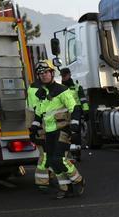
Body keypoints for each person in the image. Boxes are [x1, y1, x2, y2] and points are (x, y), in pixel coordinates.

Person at [26, 61, 85, 198]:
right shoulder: (41, 93)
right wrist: (34, 128)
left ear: (52, 73)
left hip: (63, 129)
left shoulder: (62, 90)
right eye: (41, 73)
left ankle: (78, 180)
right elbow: (40, 113)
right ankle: (66, 188)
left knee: (59, 159)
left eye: (46, 72)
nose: (44, 75)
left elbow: (75, 107)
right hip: (49, 132)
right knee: (52, 161)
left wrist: (75, 125)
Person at [60, 67, 90, 161]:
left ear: (69, 75)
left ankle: (77, 154)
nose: (64, 77)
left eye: (65, 75)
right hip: (64, 113)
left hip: (75, 112)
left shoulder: (77, 87)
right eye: (62, 76)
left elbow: (83, 100)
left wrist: (86, 111)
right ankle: (68, 154)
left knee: (75, 133)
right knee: (65, 134)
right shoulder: (59, 88)